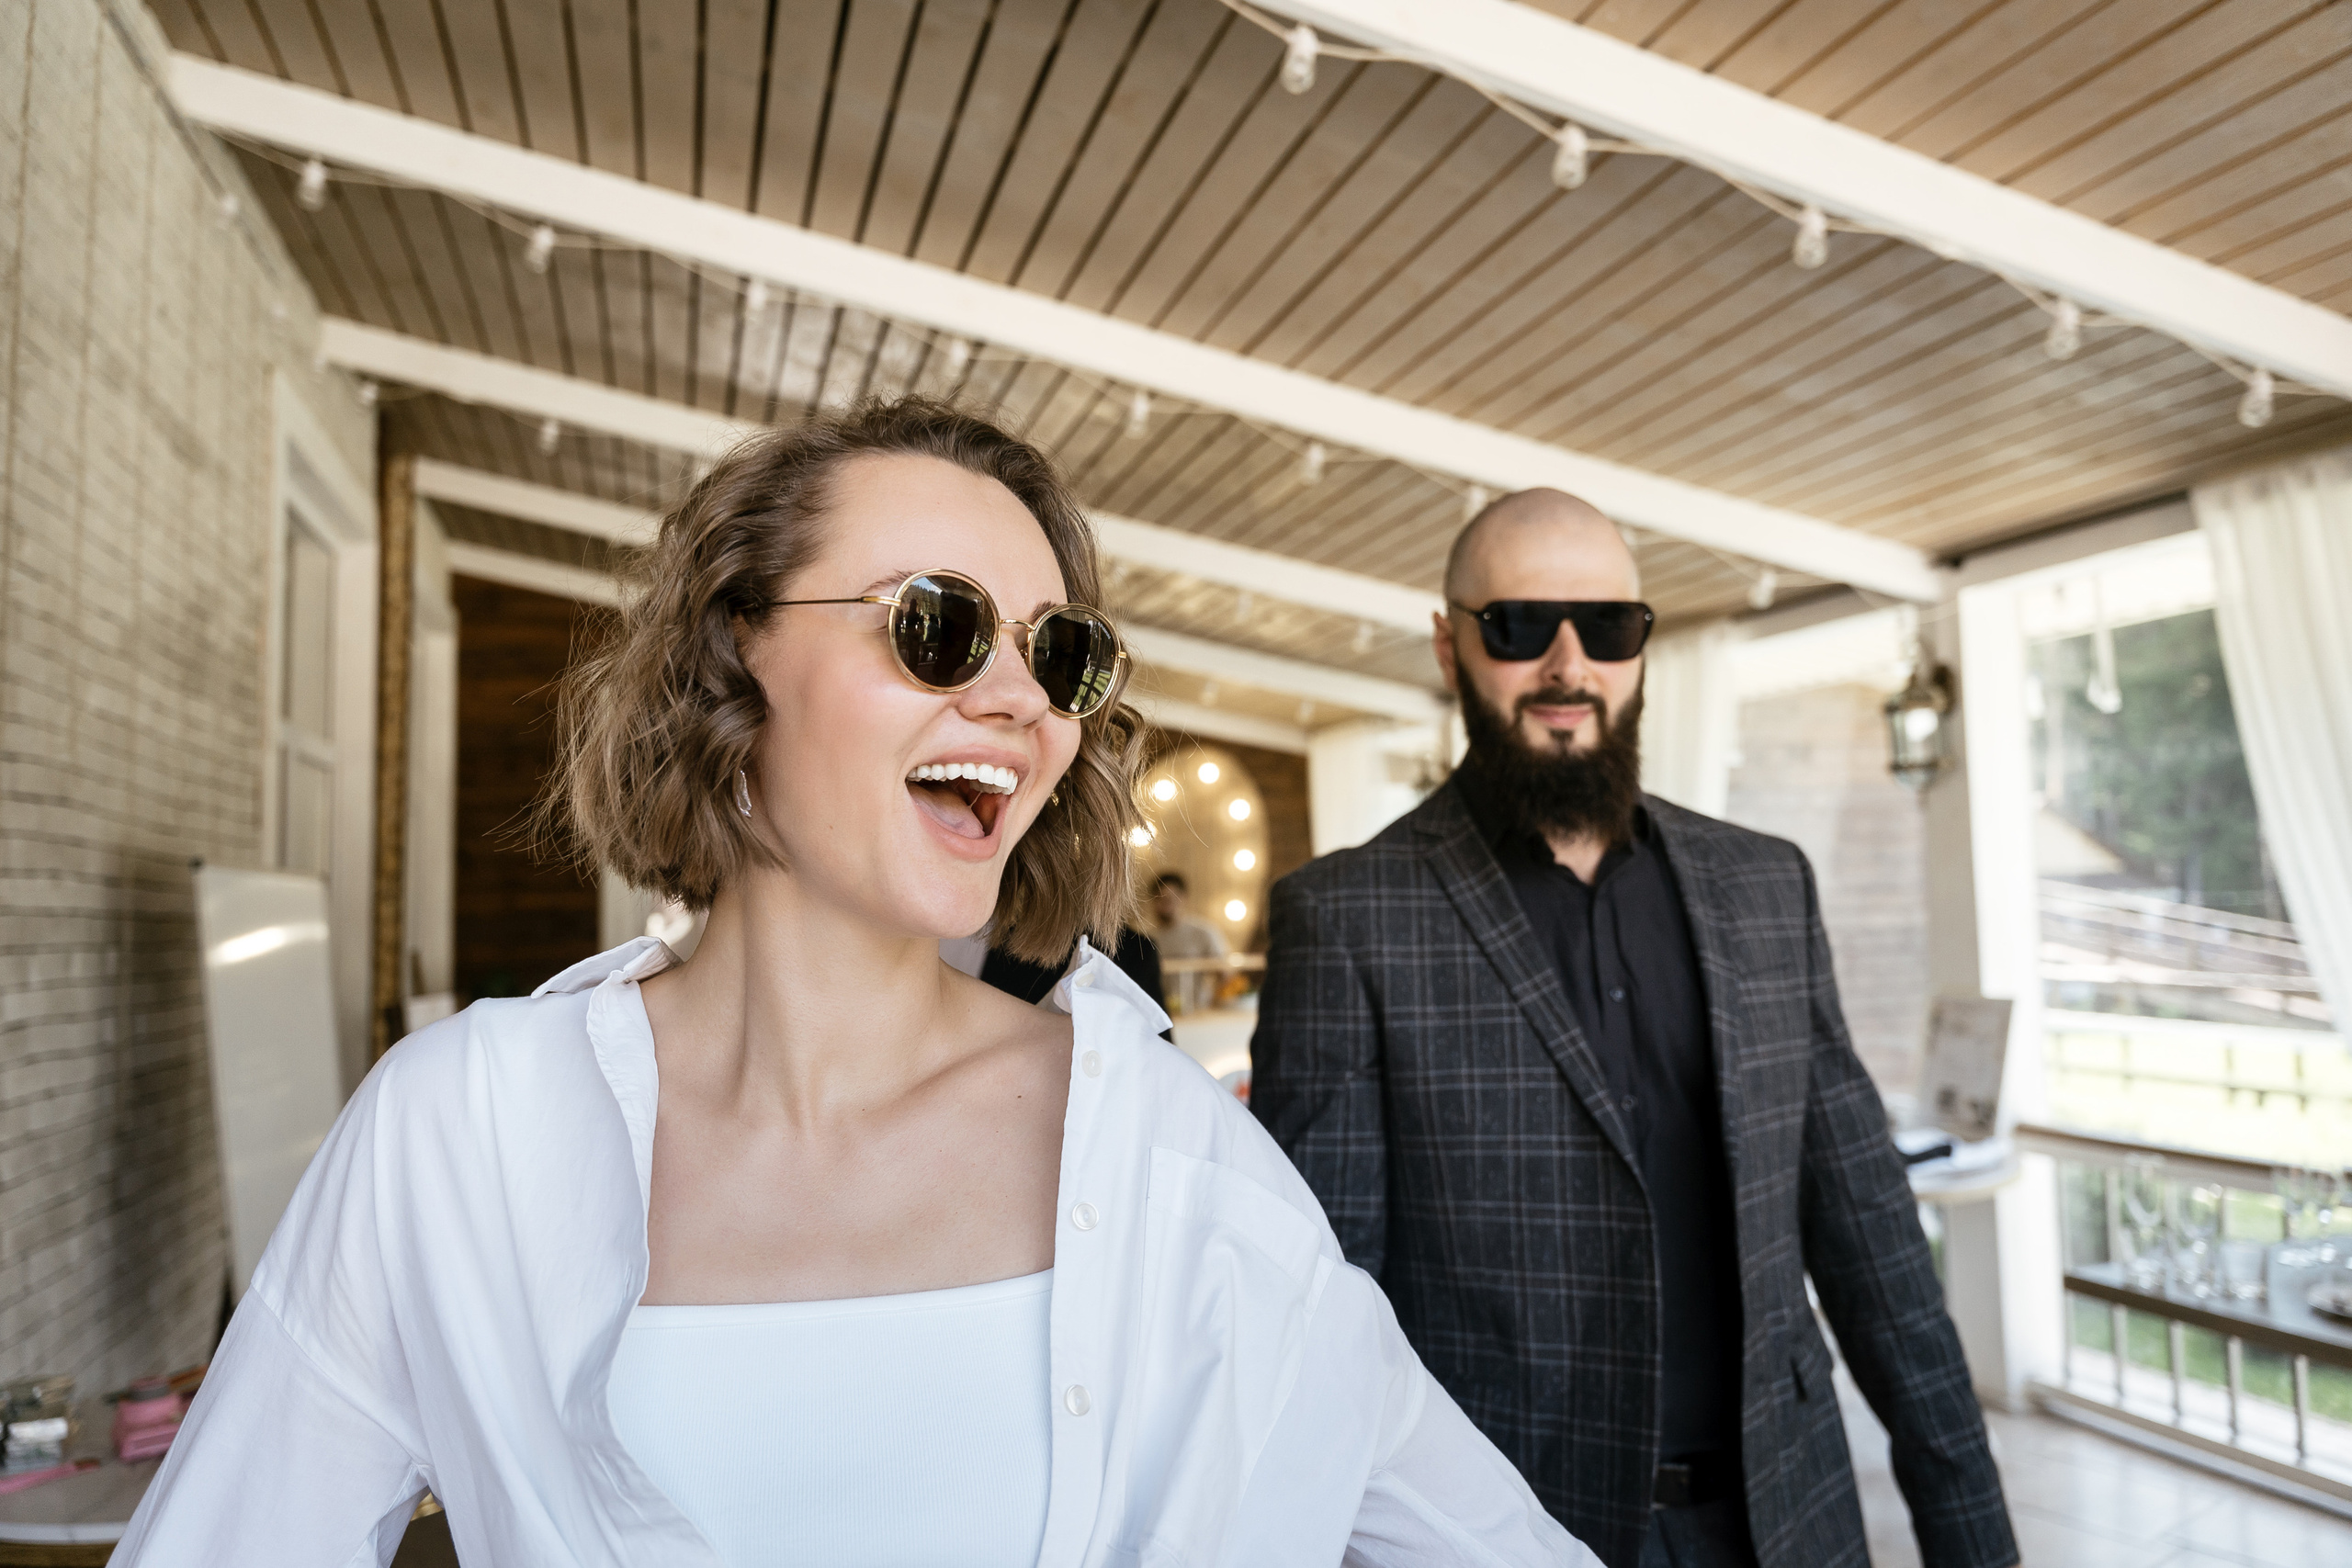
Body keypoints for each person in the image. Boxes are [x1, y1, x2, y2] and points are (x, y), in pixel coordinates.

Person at [115, 401, 1594, 1568]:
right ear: (733, 647)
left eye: (1059, 655)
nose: (1016, 700)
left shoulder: (1161, 1150)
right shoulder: (460, 1135)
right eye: (937, 624)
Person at [1250, 490, 2018, 1568]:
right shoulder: (1347, 918)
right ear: (1449, 644)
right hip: (1508, 1530)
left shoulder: (1765, 888)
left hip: (1786, 1517)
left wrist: (1973, 1538)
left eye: (1607, 627)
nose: (1569, 665)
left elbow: (1872, 1242)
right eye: (1520, 626)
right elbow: (1326, 1313)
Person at [1148, 870, 1229, 1014]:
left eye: (1170, 899)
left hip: (1199, 1012)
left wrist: (1217, 1005)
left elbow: (1225, 974)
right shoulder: (1147, 937)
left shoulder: (1204, 932)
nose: (1165, 905)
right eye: (1159, 899)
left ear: (1183, 897)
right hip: (1160, 1013)